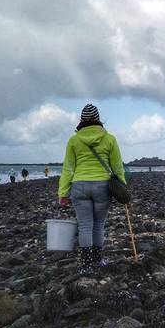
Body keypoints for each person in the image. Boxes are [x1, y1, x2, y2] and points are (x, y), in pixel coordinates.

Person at [58, 104, 126, 275]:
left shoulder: (74, 140)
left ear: (81, 120)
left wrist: (63, 193)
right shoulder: (109, 139)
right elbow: (117, 167)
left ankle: (86, 265)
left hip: (79, 186)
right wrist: (123, 190)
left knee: (85, 226)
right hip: (103, 186)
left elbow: (68, 168)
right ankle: (98, 261)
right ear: (98, 119)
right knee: (98, 226)